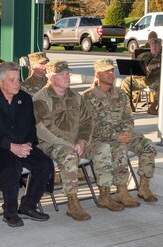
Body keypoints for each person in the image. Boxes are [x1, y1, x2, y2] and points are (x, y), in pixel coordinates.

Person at [33, 60, 124, 221]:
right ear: (51, 77)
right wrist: (71, 145)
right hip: (51, 144)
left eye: (68, 73)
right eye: (63, 74)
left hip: (77, 143)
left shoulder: (76, 97)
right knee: (69, 155)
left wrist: (82, 141)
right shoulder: (41, 98)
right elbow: (45, 130)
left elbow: (87, 122)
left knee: (103, 148)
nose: (67, 77)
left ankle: (104, 194)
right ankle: (72, 202)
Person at [0, 62, 53, 227]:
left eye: (18, 79)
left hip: (22, 145)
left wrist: (28, 144)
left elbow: (31, 126)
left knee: (45, 164)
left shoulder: (24, 99)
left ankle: (28, 206)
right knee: (12, 168)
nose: (17, 83)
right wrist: (11, 147)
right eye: (12, 80)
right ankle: (10, 212)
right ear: (0, 82)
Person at [82, 59, 157, 203]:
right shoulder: (88, 96)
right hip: (102, 138)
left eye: (112, 70)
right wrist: (116, 136)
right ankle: (121, 190)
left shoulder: (121, 94)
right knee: (119, 147)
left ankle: (144, 187)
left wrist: (127, 133)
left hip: (124, 136)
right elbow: (90, 125)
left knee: (148, 145)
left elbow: (128, 118)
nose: (111, 74)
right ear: (97, 74)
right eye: (107, 71)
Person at [121, 38, 162, 111]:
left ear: (160, 47)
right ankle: (128, 104)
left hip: (155, 81)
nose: (154, 46)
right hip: (141, 80)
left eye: (157, 44)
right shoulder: (144, 55)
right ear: (150, 46)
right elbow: (135, 65)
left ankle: (154, 106)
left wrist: (157, 65)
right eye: (153, 44)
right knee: (126, 82)